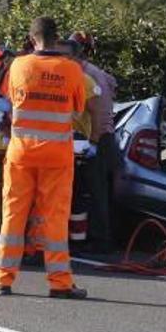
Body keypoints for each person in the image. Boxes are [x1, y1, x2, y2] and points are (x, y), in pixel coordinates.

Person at [0, 17, 89, 299]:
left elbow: (9, 101)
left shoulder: (18, 66)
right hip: (57, 155)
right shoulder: (72, 70)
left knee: (13, 215)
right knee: (55, 219)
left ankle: (2, 280)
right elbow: (78, 111)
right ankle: (60, 283)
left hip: (21, 153)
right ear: (58, 38)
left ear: (31, 39)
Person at [70, 32, 119, 254]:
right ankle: (81, 239)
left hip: (99, 138)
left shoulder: (89, 74)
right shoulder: (92, 73)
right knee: (83, 190)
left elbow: (99, 113)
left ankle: (102, 242)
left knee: (96, 191)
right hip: (92, 138)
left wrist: (94, 142)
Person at [57, 36, 102, 248]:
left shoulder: (84, 81)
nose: (61, 60)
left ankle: (76, 242)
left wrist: (93, 142)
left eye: (66, 56)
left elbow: (96, 112)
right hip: (55, 139)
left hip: (77, 143)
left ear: (76, 58)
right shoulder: (53, 77)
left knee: (75, 195)